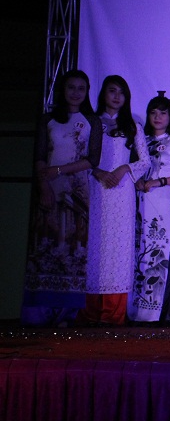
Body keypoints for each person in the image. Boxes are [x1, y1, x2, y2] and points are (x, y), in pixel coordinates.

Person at [23, 69, 101, 326]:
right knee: (44, 244)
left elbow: (93, 159)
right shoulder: (49, 120)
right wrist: (44, 184)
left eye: (81, 88)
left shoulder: (91, 121)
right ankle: (38, 313)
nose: (76, 93)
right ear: (62, 90)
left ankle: (66, 315)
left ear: (87, 92)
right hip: (48, 188)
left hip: (77, 190)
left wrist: (59, 171)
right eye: (71, 87)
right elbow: (39, 156)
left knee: (73, 247)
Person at [81, 75, 150, 326]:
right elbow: (80, 156)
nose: (117, 96)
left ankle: (114, 312)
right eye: (112, 91)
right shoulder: (91, 122)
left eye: (121, 92)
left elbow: (145, 161)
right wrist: (98, 172)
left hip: (122, 190)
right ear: (103, 94)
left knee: (119, 248)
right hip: (96, 188)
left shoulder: (132, 125)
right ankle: (90, 310)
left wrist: (123, 169)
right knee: (94, 244)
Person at [129, 96, 170, 322]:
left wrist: (161, 181)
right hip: (139, 200)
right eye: (153, 112)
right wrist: (136, 180)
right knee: (138, 249)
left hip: (163, 201)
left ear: (169, 117)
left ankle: (155, 310)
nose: (157, 117)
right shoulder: (141, 141)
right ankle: (133, 309)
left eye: (163, 113)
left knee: (159, 251)